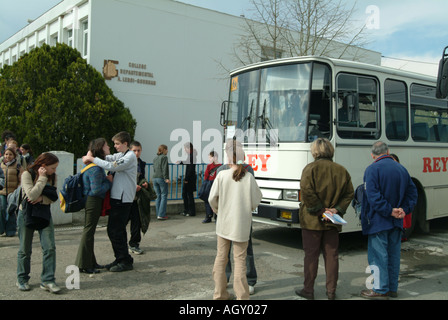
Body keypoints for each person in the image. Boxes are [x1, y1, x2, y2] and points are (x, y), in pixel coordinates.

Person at [296, 138, 354, 300]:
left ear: (315, 151)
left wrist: (320, 210)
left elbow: (307, 192)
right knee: (332, 256)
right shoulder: (341, 170)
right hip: (332, 220)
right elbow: (349, 193)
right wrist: (336, 209)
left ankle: (308, 290)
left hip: (312, 220)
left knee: (311, 256)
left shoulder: (310, 169)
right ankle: (331, 292)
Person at [360, 141, 417, 299]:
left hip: (378, 221)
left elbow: (373, 197)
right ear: (388, 151)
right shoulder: (401, 169)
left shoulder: (372, 169)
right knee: (393, 255)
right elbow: (413, 194)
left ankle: (379, 289)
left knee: (378, 256)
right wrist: (403, 209)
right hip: (397, 221)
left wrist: (389, 211)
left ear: (373, 154)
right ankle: (392, 288)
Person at [208, 139, 262, 300]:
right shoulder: (249, 177)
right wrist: (247, 209)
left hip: (223, 223)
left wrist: (219, 210)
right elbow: (256, 200)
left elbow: (212, 199)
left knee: (221, 257)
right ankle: (242, 296)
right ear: (242, 158)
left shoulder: (221, 174)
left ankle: (219, 293)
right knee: (240, 260)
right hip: (241, 224)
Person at [82, 131, 137, 272]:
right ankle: (121, 258)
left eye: (117, 144)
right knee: (115, 230)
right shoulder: (121, 155)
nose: (115, 146)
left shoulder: (130, 156)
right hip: (117, 198)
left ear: (125, 144)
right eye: (113, 144)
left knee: (116, 230)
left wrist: (92, 159)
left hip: (123, 199)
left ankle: (124, 260)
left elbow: (112, 166)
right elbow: (107, 158)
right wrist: (91, 154)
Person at [16, 152, 60, 292]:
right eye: (52, 168)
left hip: (44, 214)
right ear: (43, 165)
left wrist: (42, 199)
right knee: (25, 249)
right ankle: (22, 279)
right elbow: (31, 195)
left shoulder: (53, 177)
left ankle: (48, 280)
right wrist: (41, 178)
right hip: (26, 214)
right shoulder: (27, 174)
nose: (54, 171)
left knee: (49, 247)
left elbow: (53, 197)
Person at [75, 138, 112, 274]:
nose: (109, 147)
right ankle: (84, 264)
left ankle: (91, 262)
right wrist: (109, 182)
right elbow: (96, 190)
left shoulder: (93, 165)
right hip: (93, 201)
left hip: (91, 200)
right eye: (107, 146)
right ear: (100, 148)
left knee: (89, 231)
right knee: (89, 231)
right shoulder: (95, 169)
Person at [128, 141, 148, 254]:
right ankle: (120, 245)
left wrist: (144, 183)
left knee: (137, 222)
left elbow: (142, 178)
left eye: (138, 150)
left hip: (136, 198)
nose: (136, 153)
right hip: (125, 198)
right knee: (121, 223)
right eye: (134, 150)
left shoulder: (141, 164)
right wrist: (132, 186)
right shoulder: (125, 162)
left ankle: (134, 244)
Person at [0, 147, 23, 237]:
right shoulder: (1, 165)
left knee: (11, 210)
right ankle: (1, 229)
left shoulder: (18, 166)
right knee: (1, 209)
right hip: (2, 192)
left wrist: (17, 189)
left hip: (12, 192)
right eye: (6, 154)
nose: (8, 156)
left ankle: (10, 230)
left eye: (10, 154)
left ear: (14, 156)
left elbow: (21, 179)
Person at [201, 151, 221, 223]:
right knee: (212, 200)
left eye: (210, 157)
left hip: (213, 184)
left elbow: (206, 176)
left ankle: (210, 216)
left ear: (215, 157)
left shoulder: (210, 166)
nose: (209, 159)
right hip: (212, 184)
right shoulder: (220, 166)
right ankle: (212, 216)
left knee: (211, 200)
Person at [153, 144, 170, 220]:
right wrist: (166, 178)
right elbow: (164, 168)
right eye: (167, 149)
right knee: (164, 196)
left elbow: (154, 168)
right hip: (161, 178)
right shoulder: (164, 157)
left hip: (154, 178)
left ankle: (158, 214)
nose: (167, 151)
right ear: (164, 150)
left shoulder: (155, 158)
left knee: (158, 196)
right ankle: (161, 214)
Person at [179, 142, 197, 217]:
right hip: (190, 178)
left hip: (190, 178)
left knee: (188, 194)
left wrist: (186, 178)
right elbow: (187, 163)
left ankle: (190, 211)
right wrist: (181, 162)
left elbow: (191, 168)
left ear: (189, 148)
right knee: (187, 194)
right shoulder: (191, 156)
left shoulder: (192, 156)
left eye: (185, 148)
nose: (184, 150)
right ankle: (188, 210)